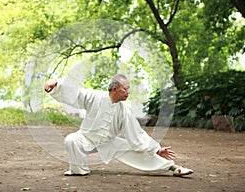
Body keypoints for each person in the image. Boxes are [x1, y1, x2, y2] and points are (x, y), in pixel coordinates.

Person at [44, 74, 193, 177]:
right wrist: (57, 84)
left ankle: (173, 167)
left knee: (138, 151)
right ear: (115, 89)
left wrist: (157, 149)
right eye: (126, 89)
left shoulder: (123, 110)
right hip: (86, 138)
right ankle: (78, 170)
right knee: (71, 139)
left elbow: (137, 135)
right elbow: (75, 94)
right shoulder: (94, 96)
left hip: (110, 143)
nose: (128, 92)